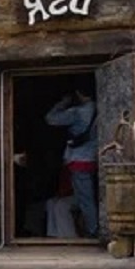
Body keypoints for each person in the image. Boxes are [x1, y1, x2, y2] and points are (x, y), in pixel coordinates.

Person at [45, 88, 98, 238]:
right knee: (85, 198)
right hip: (91, 158)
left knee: (85, 200)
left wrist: (63, 103)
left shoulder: (79, 112)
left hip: (80, 160)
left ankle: (93, 232)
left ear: (80, 93)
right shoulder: (99, 110)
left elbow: (51, 118)